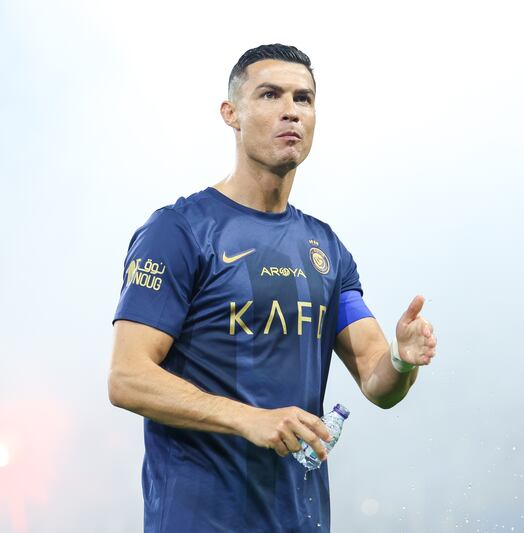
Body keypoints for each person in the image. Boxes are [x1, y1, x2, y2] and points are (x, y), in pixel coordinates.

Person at [108, 43, 438, 532]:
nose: (291, 111)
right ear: (231, 114)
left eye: (303, 99)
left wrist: (402, 361)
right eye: (270, 95)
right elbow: (127, 377)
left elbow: (376, 380)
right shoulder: (179, 231)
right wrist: (248, 418)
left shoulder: (325, 248)